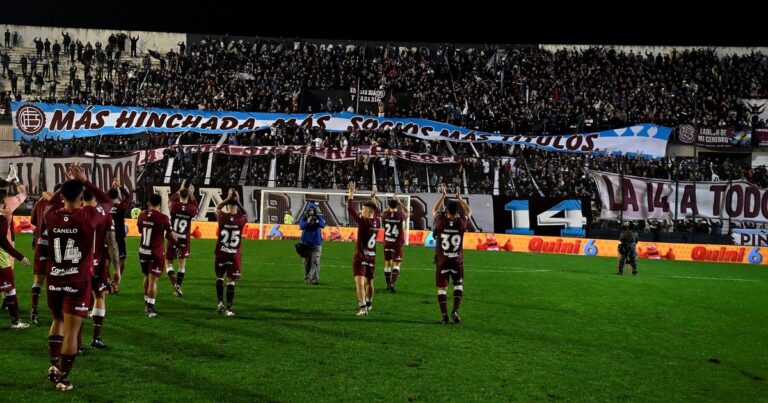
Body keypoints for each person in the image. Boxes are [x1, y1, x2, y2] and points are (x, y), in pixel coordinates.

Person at [44, 163, 111, 391]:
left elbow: (51, 202)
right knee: (72, 331)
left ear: (62, 195)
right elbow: (107, 202)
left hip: (54, 279)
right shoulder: (88, 215)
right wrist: (85, 181)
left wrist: (65, 185)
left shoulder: (50, 214)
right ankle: (63, 379)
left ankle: (53, 365)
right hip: (78, 280)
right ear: (82, 197)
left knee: (58, 321)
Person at [81, 189, 119, 349]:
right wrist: (117, 269)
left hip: (79, 265)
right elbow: (112, 243)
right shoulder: (105, 215)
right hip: (98, 264)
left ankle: (77, 343)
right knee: (99, 296)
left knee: (78, 302)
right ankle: (96, 339)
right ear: (95, 198)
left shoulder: (76, 213)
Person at [432, 185, 471, 324]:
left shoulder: (441, 222)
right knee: (458, 285)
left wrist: (442, 196)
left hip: (442, 260)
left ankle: (444, 316)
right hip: (457, 260)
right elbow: (469, 211)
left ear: (446, 211)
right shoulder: (461, 223)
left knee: (442, 288)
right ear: (457, 212)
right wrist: (460, 198)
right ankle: (455, 311)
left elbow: (434, 210)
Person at [137, 194, 178, 317]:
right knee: (153, 280)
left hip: (143, 251)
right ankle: (150, 309)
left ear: (149, 203)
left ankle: (146, 301)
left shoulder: (141, 215)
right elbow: (173, 238)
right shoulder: (163, 218)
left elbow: (140, 230)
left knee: (146, 275)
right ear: (160, 204)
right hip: (156, 253)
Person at [0, 180, 32, 329]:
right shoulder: (3, 214)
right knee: (10, 287)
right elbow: (2, 241)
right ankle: (15, 322)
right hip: (2, 258)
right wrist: (20, 256)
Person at [29, 184, 61, 324]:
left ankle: (34, 311)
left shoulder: (40, 202)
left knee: (38, 281)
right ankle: (57, 313)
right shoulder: (61, 203)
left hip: (41, 244)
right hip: (56, 246)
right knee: (57, 281)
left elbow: (33, 221)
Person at [347, 184, 380, 316]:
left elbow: (350, 209)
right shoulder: (378, 221)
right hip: (372, 256)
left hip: (360, 256)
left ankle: (362, 307)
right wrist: (373, 198)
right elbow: (375, 210)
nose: (361, 211)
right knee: (370, 282)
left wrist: (351, 194)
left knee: (359, 283)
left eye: (364, 210)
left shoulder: (364, 221)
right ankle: (369, 303)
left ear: (368, 212)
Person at [214, 189, 247, 316]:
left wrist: (228, 199)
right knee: (231, 281)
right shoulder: (241, 219)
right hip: (234, 255)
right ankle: (229, 309)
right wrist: (237, 202)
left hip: (221, 253)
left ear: (227, 206)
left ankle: (220, 303)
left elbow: (218, 207)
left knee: (219, 278)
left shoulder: (222, 217)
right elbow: (245, 214)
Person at [165, 180, 198, 295]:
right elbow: (196, 208)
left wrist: (180, 188)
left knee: (168, 263)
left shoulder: (174, 206)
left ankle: (175, 284)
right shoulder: (191, 208)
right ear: (188, 196)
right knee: (182, 265)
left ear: (180, 195)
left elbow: (170, 200)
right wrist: (191, 194)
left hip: (173, 237)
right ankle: (178, 287)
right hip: (184, 239)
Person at [108, 178, 132, 277]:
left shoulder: (105, 207)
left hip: (108, 238)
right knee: (122, 260)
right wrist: (119, 186)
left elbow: (103, 196)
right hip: (119, 237)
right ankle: (117, 279)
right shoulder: (121, 207)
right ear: (117, 196)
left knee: (107, 261)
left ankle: (108, 281)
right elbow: (129, 196)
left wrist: (111, 188)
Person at [383, 194, 407, 293]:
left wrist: (392, 204)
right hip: (396, 243)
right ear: (397, 206)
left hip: (387, 242)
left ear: (389, 206)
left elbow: (386, 210)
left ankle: (388, 284)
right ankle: (392, 284)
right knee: (396, 265)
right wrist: (400, 203)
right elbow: (407, 212)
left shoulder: (385, 214)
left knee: (387, 263)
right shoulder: (400, 215)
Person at [298, 202, 325, 285]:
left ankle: (314, 280)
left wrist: (316, 221)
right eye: (310, 210)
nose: (311, 212)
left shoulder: (319, 218)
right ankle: (307, 277)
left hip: (316, 243)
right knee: (307, 262)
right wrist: (308, 222)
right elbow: (302, 226)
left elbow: (323, 225)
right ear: (307, 211)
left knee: (315, 262)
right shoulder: (303, 218)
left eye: (313, 210)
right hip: (306, 244)